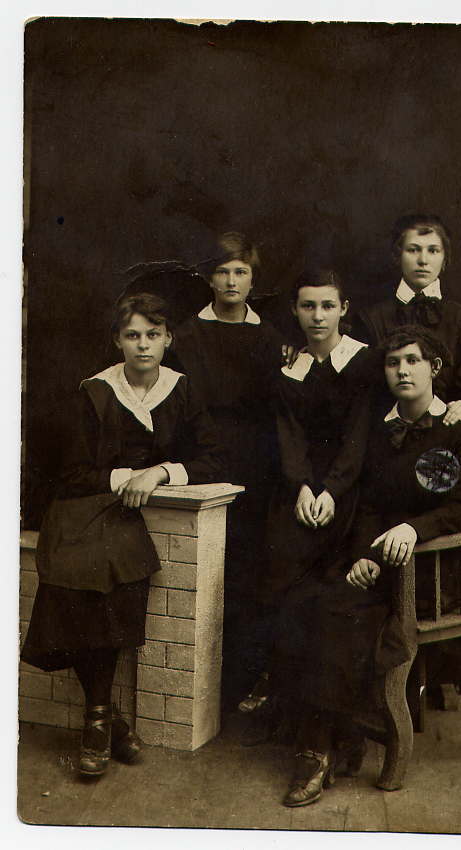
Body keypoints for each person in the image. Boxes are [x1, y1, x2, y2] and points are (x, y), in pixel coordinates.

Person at [272, 325, 461, 808]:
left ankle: (318, 750)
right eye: (393, 363)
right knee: (304, 599)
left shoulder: (457, 431)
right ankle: (338, 735)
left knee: (339, 613)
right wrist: (365, 557)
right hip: (377, 560)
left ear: (434, 368)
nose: (402, 371)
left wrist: (413, 530)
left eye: (413, 361)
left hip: (429, 570)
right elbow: (369, 505)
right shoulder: (379, 429)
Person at [22, 293, 223, 778]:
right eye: (132, 335)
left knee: (113, 578)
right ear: (117, 340)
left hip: (132, 517)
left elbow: (213, 458)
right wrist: (124, 477)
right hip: (84, 508)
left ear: (168, 339)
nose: (143, 345)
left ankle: (101, 720)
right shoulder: (94, 391)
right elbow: (71, 473)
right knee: (73, 579)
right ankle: (103, 717)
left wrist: (160, 472)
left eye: (153, 335)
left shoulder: (182, 390)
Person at [241, 268, 377, 735]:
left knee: (329, 587)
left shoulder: (364, 363)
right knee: (278, 564)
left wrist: (331, 491)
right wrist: (301, 486)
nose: (318, 316)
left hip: (349, 489)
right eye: (308, 306)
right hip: (299, 489)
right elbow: (289, 436)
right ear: (295, 311)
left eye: (327, 306)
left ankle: (322, 709)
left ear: (343, 310)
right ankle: (278, 688)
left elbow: (358, 438)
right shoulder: (289, 370)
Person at [172, 231, 285, 706]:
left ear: (253, 279)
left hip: (258, 465)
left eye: (241, 271)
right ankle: (202, 688)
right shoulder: (186, 336)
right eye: (222, 272)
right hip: (205, 457)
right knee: (207, 565)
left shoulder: (271, 338)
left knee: (250, 567)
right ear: (208, 277)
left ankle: (243, 681)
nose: (232, 281)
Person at [353, 213, 461, 424]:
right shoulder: (371, 319)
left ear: (445, 258)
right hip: (386, 432)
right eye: (413, 250)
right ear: (398, 255)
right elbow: (361, 392)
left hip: (446, 429)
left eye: (433, 250)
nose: (423, 260)